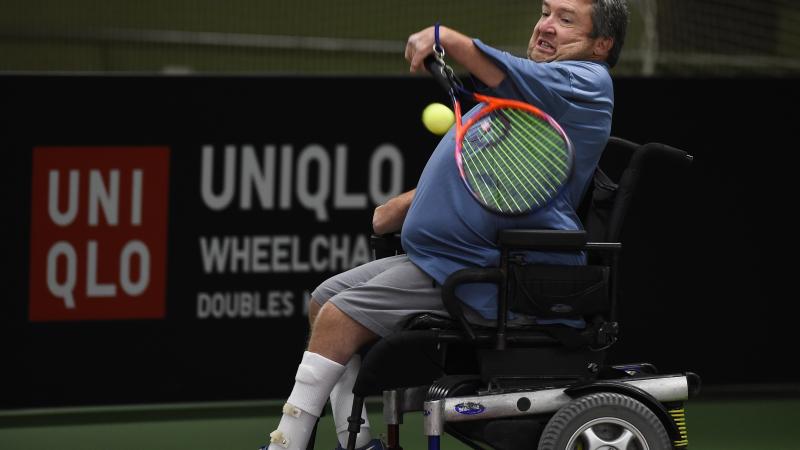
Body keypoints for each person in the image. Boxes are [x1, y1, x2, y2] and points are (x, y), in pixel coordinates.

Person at [261, 1, 629, 449]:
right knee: (324, 301)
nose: (546, 26)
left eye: (566, 19)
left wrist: (447, 38)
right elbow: (494, 175)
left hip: (492, 269)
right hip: (446, 257)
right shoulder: (527, 104)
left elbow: (508, 72)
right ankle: (354, 442)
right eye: (546, 12)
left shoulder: (586, 83)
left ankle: (286, 445)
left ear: (601, 44)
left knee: (339, 318)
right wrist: (404, 206)